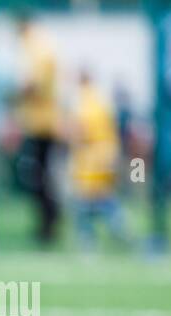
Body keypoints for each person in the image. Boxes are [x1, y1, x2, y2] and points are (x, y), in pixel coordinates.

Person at [15, 14, 63, 246]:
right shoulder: (36, 46)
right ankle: (48, 220)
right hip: (39, 122)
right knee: (38, 175)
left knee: (35, 175)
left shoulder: (38, 47)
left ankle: (50, 220)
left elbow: (32, 85)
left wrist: (13, 94)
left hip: (42, 124)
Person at [69, 70, 130, 252]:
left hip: (89, 157)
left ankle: (89, 240)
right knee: (104, 196)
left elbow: (80, 130)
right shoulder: (102, 99)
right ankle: (119, 227)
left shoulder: (81, 102)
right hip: (106, 153)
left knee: (84, 201)